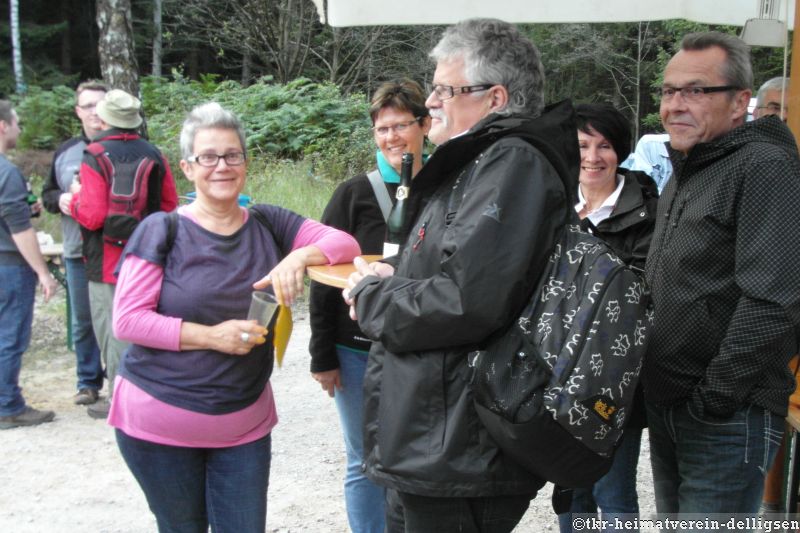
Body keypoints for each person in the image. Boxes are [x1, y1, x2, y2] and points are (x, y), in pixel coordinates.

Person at [343, 18, 579, 532]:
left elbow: (467, 300)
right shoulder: (482, 160)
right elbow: (459, 265)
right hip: (437, 439)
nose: (430, 102)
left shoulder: (513, 162)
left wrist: (373, 297)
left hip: (460, 445)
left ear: (495, 97)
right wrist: (397, 270)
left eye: (445, 90)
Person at [109, 102, 360, 532]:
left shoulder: (268, 221)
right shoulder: (161, 230)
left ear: (245, 162)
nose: (221, 166)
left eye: (232, 155)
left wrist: (296, 256)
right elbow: (128, 321)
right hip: (159, 423)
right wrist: (211, 336)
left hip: (243, 426)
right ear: (187, 167)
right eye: (208, 157)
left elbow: (345, 244)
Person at [643, 31, 800, 522]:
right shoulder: (695, 162)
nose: (675, 105)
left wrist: (714, 398)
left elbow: (774, 300)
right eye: (669, 92)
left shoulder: (763, 167)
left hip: (725, 417)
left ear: (740, 103)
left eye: (695, 91)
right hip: (674, 406)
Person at [309, 79, 430, 533]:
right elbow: (322, 280)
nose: (392, 137)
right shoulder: (352, 193)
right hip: (355, 350)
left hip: (421, 346)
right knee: (363, 460)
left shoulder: (447, 188)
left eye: (401, 125)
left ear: (426, 125)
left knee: (416, 456)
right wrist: (322, 355)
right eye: (382, 128)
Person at [558, 103, 658, 533]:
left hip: (614, 379)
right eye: (583, 145)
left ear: (621, 151)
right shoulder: (555, 204)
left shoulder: (647, 212)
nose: (593, 157)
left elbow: (638, 295)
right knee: (570, 492)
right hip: (558, 373)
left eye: (605, 146)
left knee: (613, 493)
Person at [69, 89, 178, 419]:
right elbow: (170, 205)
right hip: (150, 254)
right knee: (148, 322)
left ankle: (119, 396)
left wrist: (73, 198)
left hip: (105, 260)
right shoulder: (154, 153)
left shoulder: (95, 152)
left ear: (105, 118)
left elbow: (92, 215)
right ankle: (150, 391)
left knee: (113, 327)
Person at [41, 80, 106, 406]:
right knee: (83, 320)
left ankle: (126, 378)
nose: (95, 111)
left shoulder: (123, 146)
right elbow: (47, 196)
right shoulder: (66, 152)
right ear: (78, 111)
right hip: (77, 250)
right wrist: (62, 198)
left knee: (121, 316)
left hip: (114, 249)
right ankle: (88, 382)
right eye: (89, 105)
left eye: (100, 104)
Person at [0, 100, 59, 430]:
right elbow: (19, 230)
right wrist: (42, 271)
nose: (20, 129)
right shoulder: (6, 173)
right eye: (17, 123)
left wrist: (29, 209)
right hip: (8, 266)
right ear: (2, 126)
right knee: (10, 336)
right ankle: (8, 405)